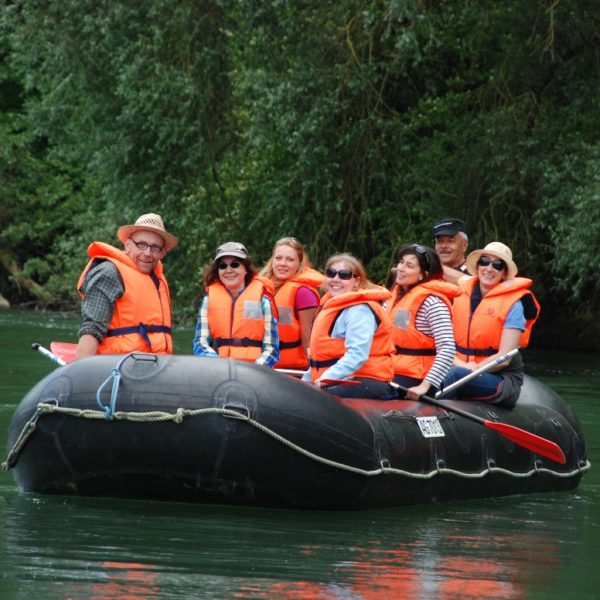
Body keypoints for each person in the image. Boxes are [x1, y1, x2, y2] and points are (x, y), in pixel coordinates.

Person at [440, 242, 540, 408]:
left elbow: (504, 359)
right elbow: (444, 346)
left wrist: (471, 369)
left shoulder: (514, 305)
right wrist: (464, 366)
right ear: (478, 266)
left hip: (500, 379)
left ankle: (437, 414)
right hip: (461, 367)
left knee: (454, 375)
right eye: (484, 261)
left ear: (504, 273)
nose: (489, 268)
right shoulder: (459, 296)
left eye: (497, 265)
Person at [75, 213, 178, 360]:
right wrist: (81, 371)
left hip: (156, 367)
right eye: (141, 245)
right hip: (118, 367)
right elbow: (91, 329)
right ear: (128, 245)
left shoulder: (157, 278)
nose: (147, 253)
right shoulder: (109, 273)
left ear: (162, 252)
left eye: (154, 247)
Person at [303, 253, 395, 399]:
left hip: (365, 380)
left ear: (357, 281)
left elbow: (358, 354)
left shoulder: (359, 309)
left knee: (315, 399)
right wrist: (305, 383)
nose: (336, 279)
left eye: (344, 275)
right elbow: (320, 358)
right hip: (337, 378)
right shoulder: (330, 305)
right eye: (331, 273)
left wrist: (326, 379)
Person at [387, 244, 458, 401]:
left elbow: (447, 349)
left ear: (422, 275)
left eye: (409, 265)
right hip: (390, 368)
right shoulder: (395, 296)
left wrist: (424, 386)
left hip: (417, 377)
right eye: (401, 262)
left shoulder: (432, 303)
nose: (401, 268)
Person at [192, 242, 279, 367]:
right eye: (222, 266)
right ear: (218, 271)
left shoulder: (264, 302)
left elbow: (271, 349)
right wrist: (218, 365)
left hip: (254, 372)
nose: (228, 270)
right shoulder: (208, 300)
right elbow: (200, 342)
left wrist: (255, 369)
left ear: (245, 269)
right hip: (218, 370)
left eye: (235, 264)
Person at [260, 237, 324, 370]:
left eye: (290, 260)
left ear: (299, 264)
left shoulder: (303, 293)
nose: (283, 263)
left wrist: (314, 372)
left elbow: (310, 340)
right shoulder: (262, 288)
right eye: (278, 258)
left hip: (293, 370)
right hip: (262, 366)